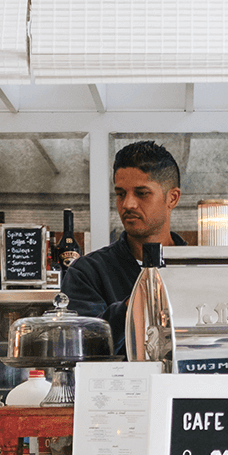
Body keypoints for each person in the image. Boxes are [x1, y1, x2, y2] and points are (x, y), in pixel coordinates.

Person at [62, 140, 184, 355]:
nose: (128, 204)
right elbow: (82, 349)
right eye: (120, 194)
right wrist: (136, 303)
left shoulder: (197, 269)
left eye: (142, 193)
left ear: (172, 198)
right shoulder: (87, 273)